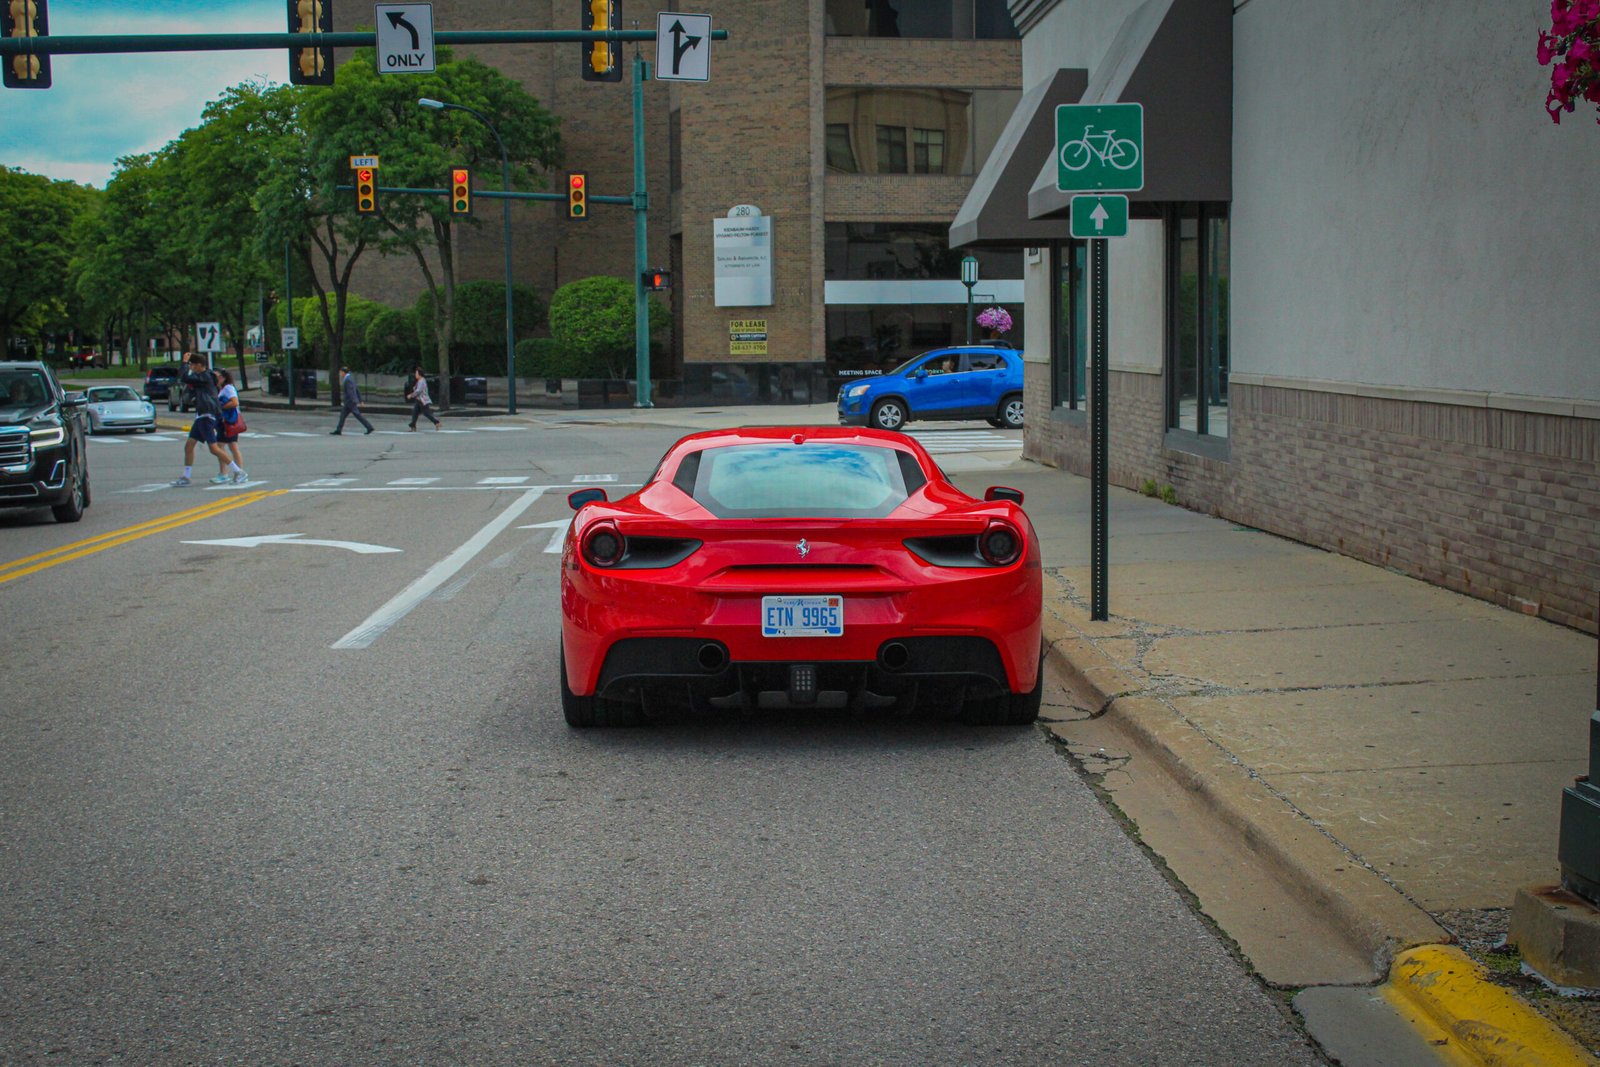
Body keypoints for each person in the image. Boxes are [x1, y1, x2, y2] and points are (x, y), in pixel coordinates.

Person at [170, 353, 242, 486]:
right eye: (190, 364)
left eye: (192, 365)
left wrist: (184, 363)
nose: (191, 367)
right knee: (189, 446)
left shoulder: (205, 376)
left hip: (206, 415)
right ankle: (186, 477)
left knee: (214, 448)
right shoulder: (204, 377)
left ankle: (238, 471)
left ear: (199, 365)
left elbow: (184, 377)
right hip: (201, 415)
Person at [212, 368, 249, 484]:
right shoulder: (221, 388)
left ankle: (230, 472)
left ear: (223, 378)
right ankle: (232, 472)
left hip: (228, 421)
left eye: (217, 377)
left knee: (222, 446)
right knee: (230, 446)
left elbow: (235, 402)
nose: (215, 379)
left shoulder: (228, 388)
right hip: (225, 421)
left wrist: (220, 407)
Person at [331, 366, 374, 435]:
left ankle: (369, 427)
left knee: (357, 415)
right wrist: (360, 400)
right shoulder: (350, 378)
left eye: (340, 372)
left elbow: (350, 392)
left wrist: (355, 400)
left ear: (343, 372)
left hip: (350, 402)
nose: (340, 374)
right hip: (349, 402)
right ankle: (338, 430)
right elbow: (357, 390)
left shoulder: (347, 380)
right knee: (343, 416)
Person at [405, 366, 440, 430]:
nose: (415, 375)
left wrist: (411, 395)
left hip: (422, 400)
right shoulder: (420, 381)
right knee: (415, 412)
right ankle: (413, 425)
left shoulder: (421, 381)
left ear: (419, 374)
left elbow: (418, 391)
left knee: (426, 413)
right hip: (419, 400)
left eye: (416, 373)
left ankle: (436, 422)